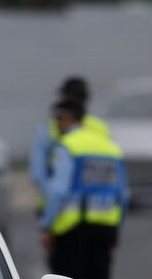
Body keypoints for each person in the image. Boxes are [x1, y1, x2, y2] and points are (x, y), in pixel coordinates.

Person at [40, 98, 127, 279]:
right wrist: (116, 229)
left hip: (72, 231)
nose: (57, 125)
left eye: (59, 120)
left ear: (69, 119)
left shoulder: (69, 146)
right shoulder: (111, 149)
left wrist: (47, 225)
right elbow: (123, 195)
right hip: (104, 230)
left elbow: (58, 191)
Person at [29, 77, 110, 207]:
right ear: (87, 99)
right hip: (98, 207)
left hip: (59, 207)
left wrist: (51, 200)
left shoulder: (50, 128)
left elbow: (38, 174)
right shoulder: (100, 128)